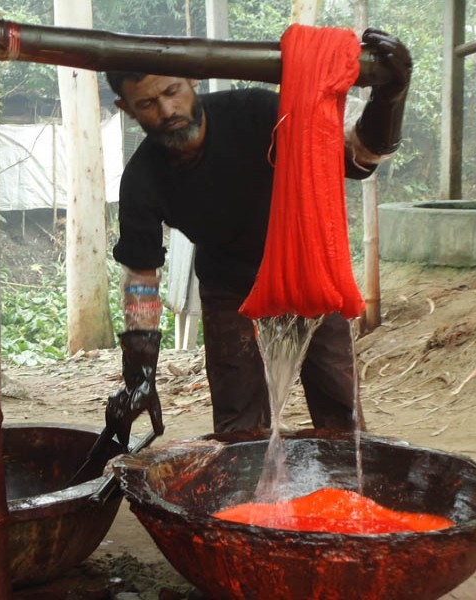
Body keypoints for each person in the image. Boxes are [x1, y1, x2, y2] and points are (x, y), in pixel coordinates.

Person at [103, 29, 412, 447]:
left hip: (309, 274)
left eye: (172, 91)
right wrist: (139, 375)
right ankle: (247, 504)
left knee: (340, 412)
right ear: (126, 109)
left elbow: (357, 159)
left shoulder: (258, 112)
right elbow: (142, 275)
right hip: (230, 289)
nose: (167, 110)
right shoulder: (141, 179)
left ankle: (343, 497)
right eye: (147, 104)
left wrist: (389, 98)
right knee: (239, 426)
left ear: (193, 79)